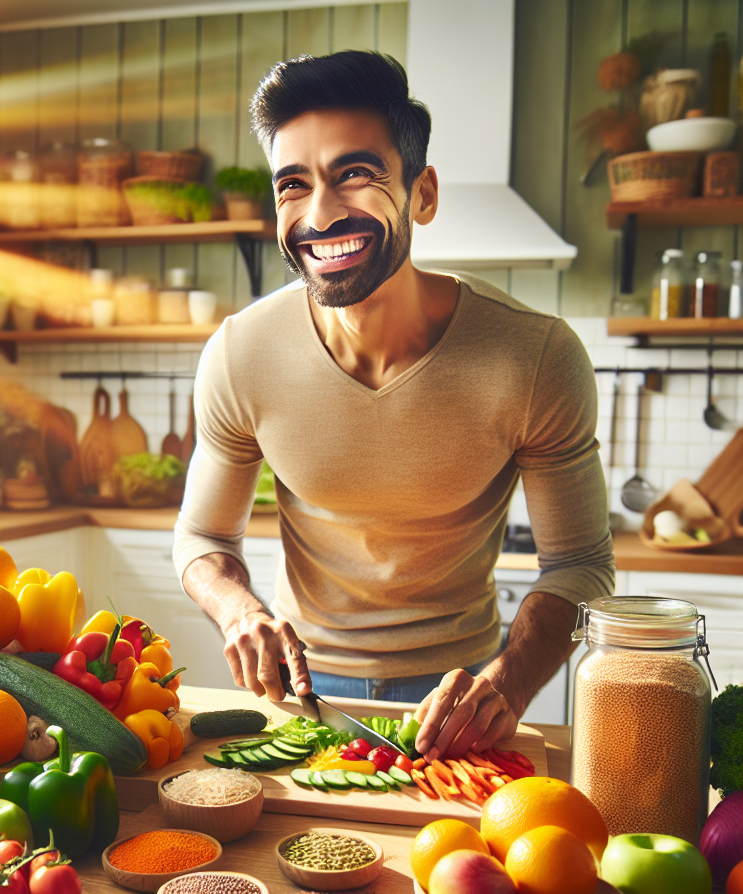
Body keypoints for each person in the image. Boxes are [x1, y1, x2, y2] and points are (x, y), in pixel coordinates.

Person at [172, 51, 614, 761]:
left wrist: (509, 681)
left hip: (462, 697)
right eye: (293, 185)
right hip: (303, 694)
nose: (318, 215)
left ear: (423, 194)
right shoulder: (239, 353)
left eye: (354, 174)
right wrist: (239, 610)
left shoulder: (535, 356)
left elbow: (581, 562)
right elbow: (202, 540)